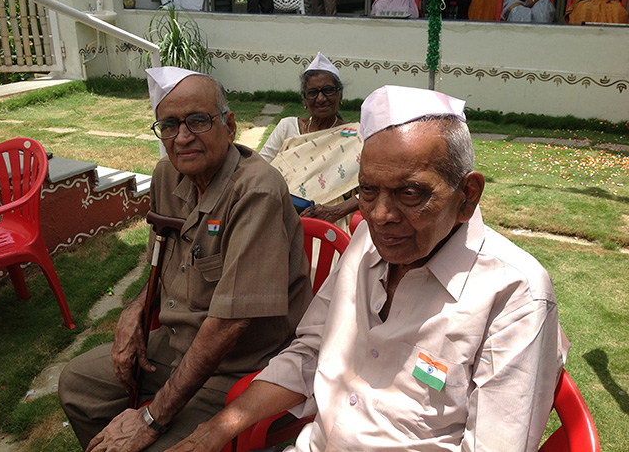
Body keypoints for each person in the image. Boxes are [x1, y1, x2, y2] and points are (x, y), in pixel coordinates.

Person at [165, 85, 570, 452]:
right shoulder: (368, 245)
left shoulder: (515, 293)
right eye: (367, 190)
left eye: (409, 193)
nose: (380, 215)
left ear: (467, 195)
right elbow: (310, 354)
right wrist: (214, 430)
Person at [58, 67, 313, 452]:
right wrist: (133, 311)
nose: (182, 137)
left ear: (229, 126)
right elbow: (161, 265)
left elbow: (230, 326)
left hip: (238, 365)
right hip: (177, 343)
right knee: (78, 385)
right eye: (169, 125)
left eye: (197, 121)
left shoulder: (256, 190)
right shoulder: (166, 176)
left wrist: (150, 419)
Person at [260, 52, 361, 226]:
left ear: (340, 95)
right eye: (313, 93)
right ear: (304, 100)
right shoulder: (287, 127)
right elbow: (258, 170)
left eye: (328, 91)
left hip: (330, 222)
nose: (321, 98)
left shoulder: (357, 134)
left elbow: (375, 188)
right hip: (280, 214)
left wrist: (335, 211)